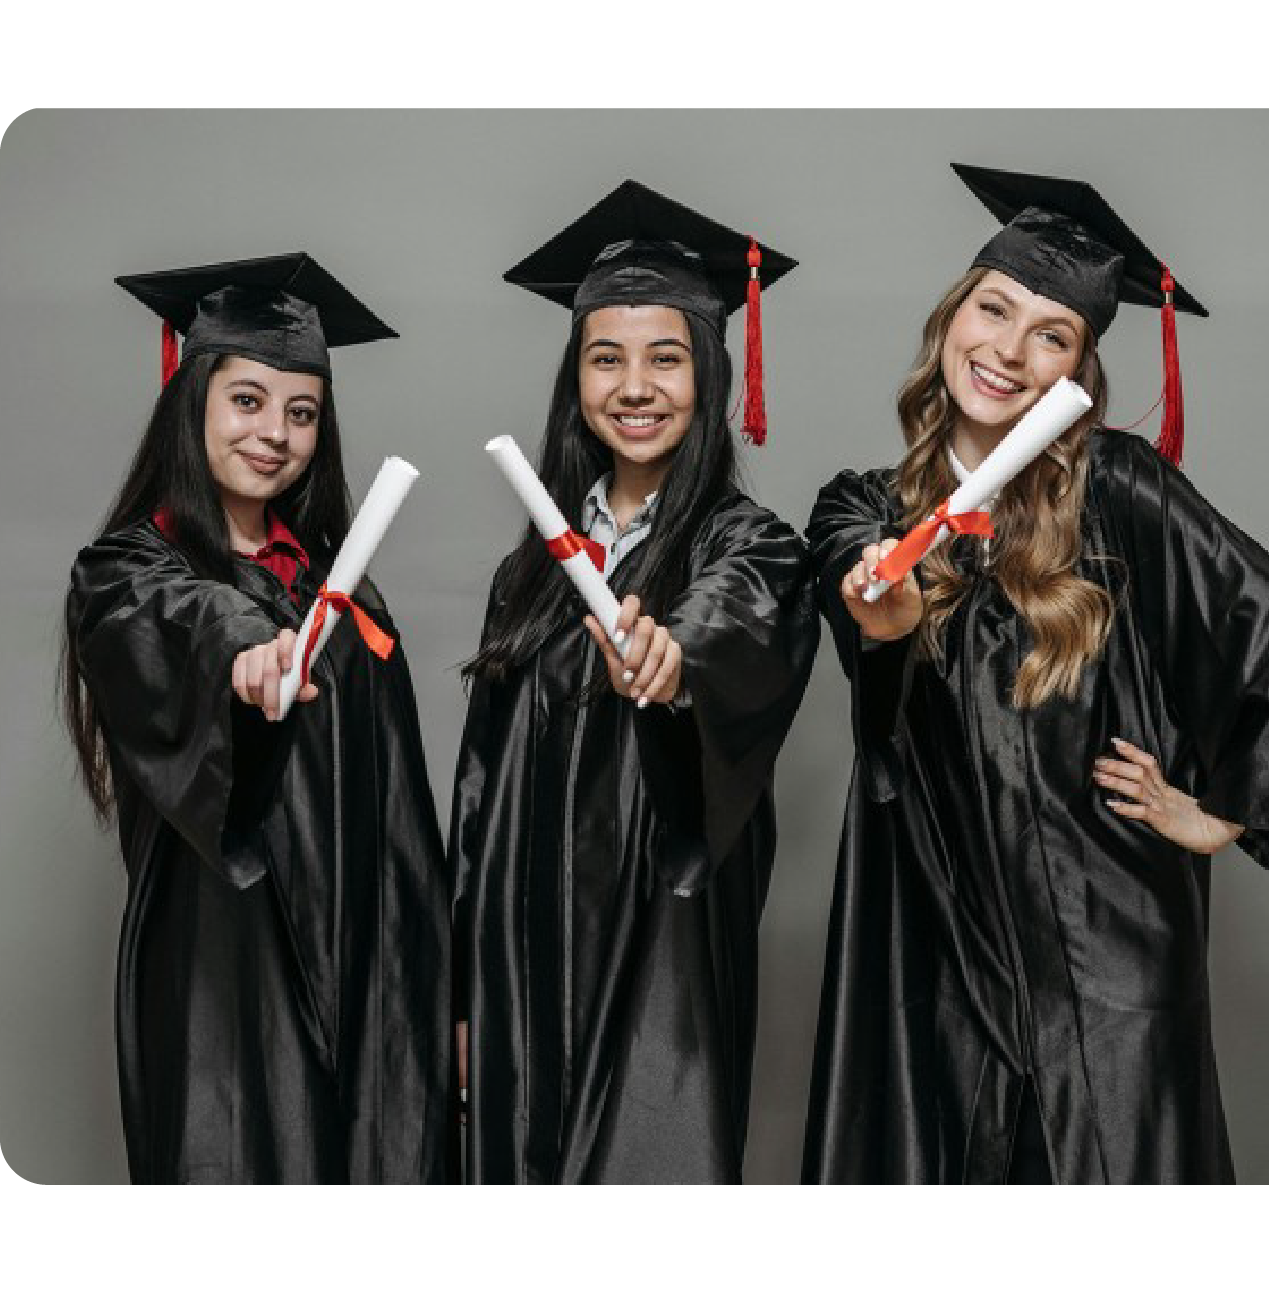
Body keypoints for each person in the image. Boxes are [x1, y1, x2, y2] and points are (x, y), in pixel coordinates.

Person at [802, 165, 1269, 1184]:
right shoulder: (861, 510)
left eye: (1049, 333)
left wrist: (1223, 811)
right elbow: (853, 602)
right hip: (934, 945)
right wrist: (885, 616)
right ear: (950, 316)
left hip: (1108, 951)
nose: (1006, 350)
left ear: (1076, 372)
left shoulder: (1122, 491)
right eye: (993, 308)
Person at [448, 181, 818, 1183]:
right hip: (521, 963)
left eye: (667, 356)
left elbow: (733, 621)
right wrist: (462, 997)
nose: (635, 385)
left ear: (709, 373)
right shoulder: (525, 577)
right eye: (606, 358)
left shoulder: (750, 547)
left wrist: (672, 655)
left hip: (665, 959)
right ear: (576, 383)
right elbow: (478, 792)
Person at [61, 254, 457, 1183]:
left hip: (372, 968)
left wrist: (440, 988)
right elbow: (178, 615)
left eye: (301, 411)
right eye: (246, 400)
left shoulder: (344, 595)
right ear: (190, 396)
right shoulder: (128, 570)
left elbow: (402, 805)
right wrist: (245, 643)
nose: (274, 433)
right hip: (223, 970)